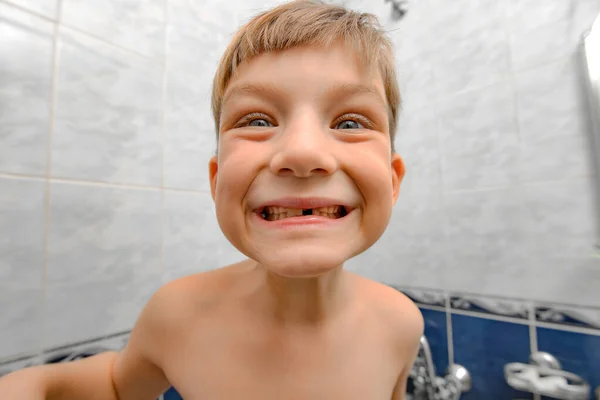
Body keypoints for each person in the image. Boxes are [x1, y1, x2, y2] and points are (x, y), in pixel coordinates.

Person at [0, 1, 424, 398]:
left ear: (392, 181)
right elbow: (113, 386)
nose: (302, 153)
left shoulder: (402, 324)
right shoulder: (177, 317)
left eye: (350, 122)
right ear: (217, 180)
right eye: (257, 120)